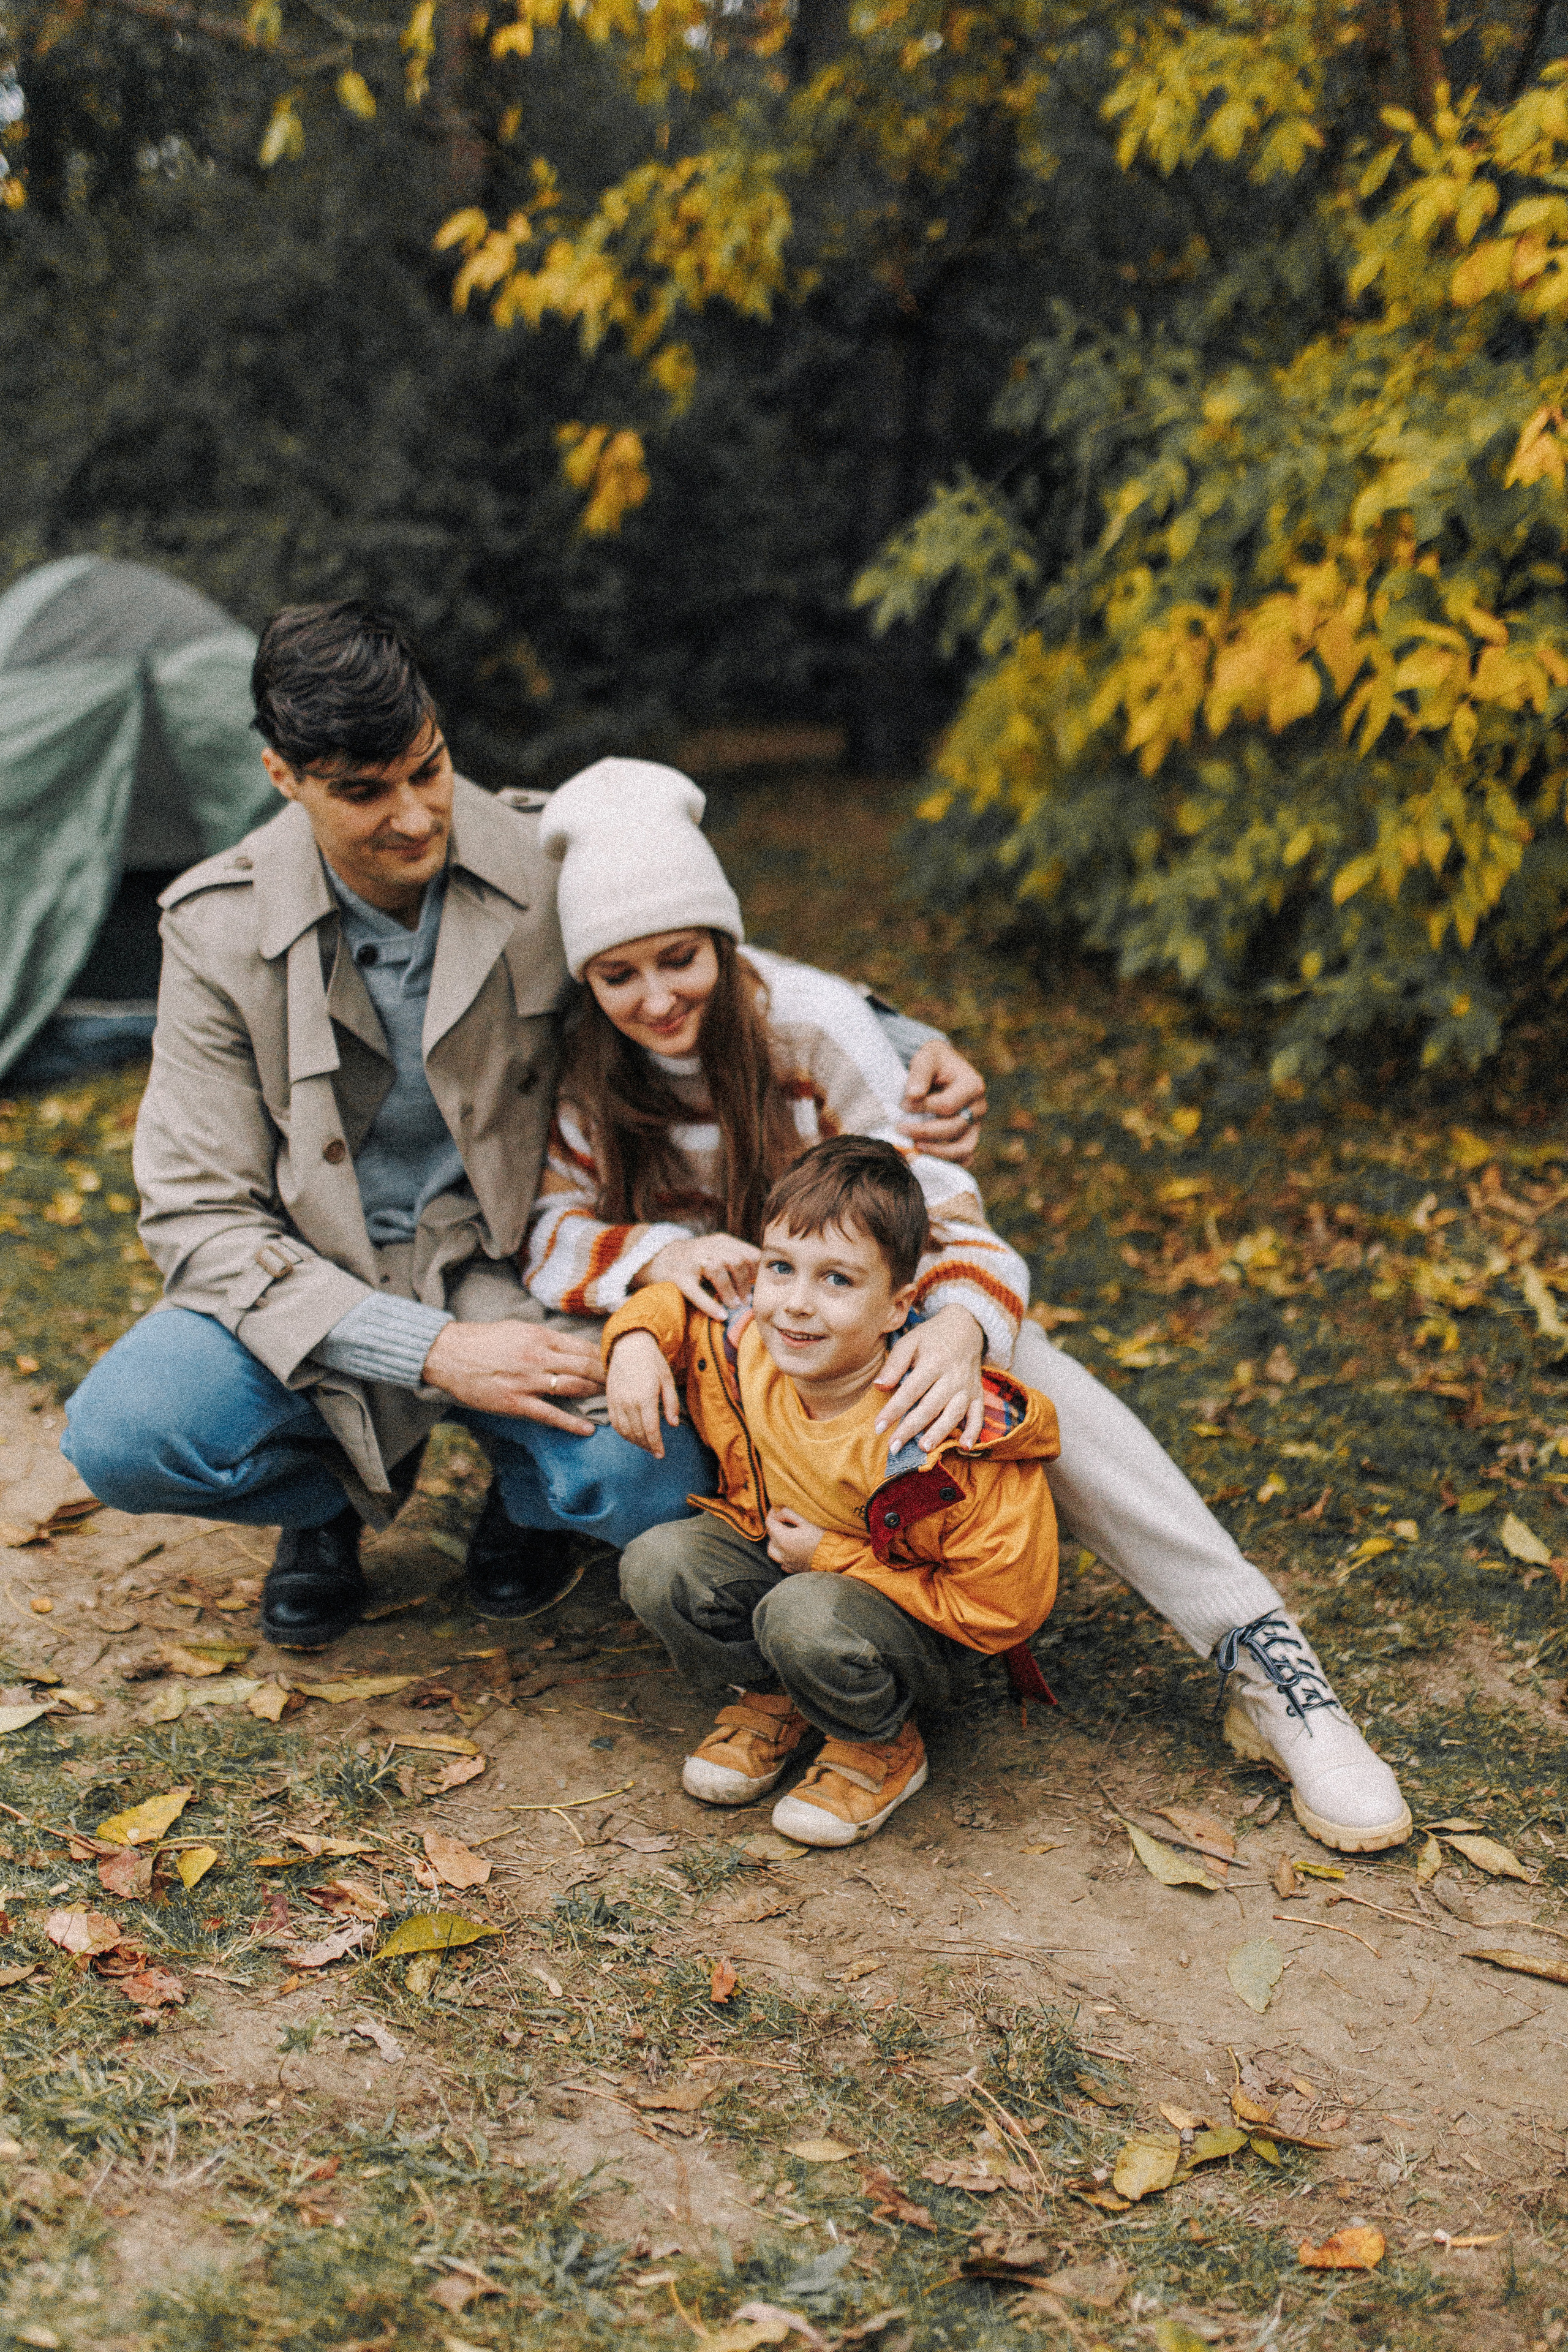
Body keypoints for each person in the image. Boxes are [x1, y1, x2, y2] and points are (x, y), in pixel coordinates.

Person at [58, 604, 988, 1652]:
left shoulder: (545, 854)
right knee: (122, 1437)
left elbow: (697, 948)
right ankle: (326, 1504)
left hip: (519, 1264)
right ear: (285, 777)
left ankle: (527, 1498)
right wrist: (435, 1353)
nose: (414, 817)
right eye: (364, 794)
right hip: (315, 1281)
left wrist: (903, 1033)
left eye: (428, 766)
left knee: (651, 1482)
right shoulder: (214, 929)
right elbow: (197, 1220)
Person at [527, 758, 1414, 1856]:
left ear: (725, 940)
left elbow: (946, 1206)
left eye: (681, 957)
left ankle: (1261, 1654)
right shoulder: (590, 1072)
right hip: (733, 1350)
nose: (657, 997)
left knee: (1023, 1381)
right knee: (670, 1526)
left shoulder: (808, 1023)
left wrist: (956, 1328)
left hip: (870, 1314)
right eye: (619, 974)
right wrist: (661, 1263)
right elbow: (552, 1233)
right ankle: (782, 1678)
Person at [606, 1136, 1061, 1845]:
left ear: (896, 1306)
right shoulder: (752, 1343)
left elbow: (1004, 1608)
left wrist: (831, 1557)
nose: (794, 1305)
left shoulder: (944, 1436)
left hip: (915, 1628)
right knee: (659, 1563)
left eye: (837, 1281)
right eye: (780, 1268)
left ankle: (880, 1742)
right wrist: (633, 1341)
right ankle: (777, 1697)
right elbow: (675, 1305)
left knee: (804, 1611)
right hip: (794, 1567)